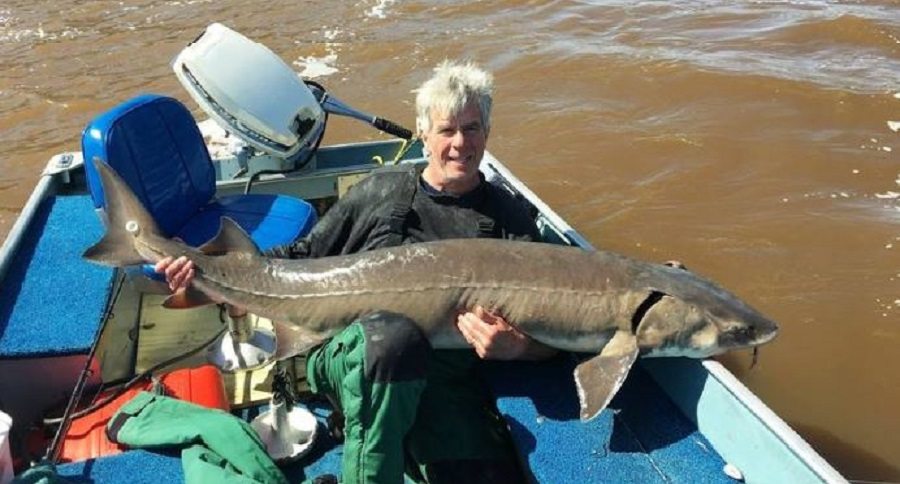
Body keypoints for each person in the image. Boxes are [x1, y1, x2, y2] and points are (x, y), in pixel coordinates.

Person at [156, 60, 556, 483]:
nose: (461, 143)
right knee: (393, 339)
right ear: (423, 133)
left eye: (472, 128)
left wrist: (520, 346)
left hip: (445, 377)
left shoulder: (509, 221)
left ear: (488, 133)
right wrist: (211, 275)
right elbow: (302, 254)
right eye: (447, 130)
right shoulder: (382, 191)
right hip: (346, 351)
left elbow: (559, 327)